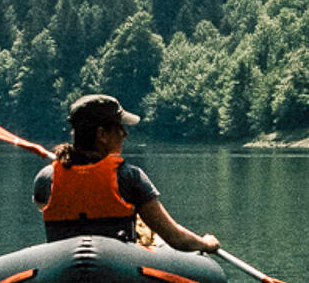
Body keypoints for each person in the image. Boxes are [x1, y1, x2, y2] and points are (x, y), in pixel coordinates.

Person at [34, 92, 221, 254]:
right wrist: (205, 243)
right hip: (118, 275)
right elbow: (176, 238)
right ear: (102, 135)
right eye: (119, 128)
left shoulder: (46, 178)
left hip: (63, 277)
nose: (125, 134)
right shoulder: (129, 177)